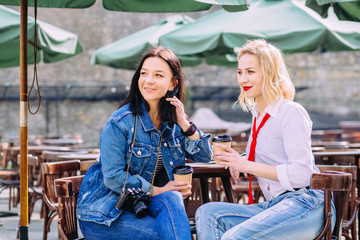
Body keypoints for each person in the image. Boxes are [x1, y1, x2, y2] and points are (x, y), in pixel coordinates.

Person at [195, 39, 335, 240]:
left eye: (250, 72)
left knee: (231, 237)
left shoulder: (291, 112)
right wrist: (240, 161)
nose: (243, 79)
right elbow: (269, 159)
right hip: (276, 205)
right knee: (208, 213)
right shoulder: (258, 115)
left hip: (307, 203)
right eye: (240, 72)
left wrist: (247, 164)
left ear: (269, 72)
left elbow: (302, 174)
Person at [77, 47, 212, 240]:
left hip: (144, 205)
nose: (148, 80)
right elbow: (114, 177)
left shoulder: (173, 123)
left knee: (172, 199)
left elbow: (205, 156)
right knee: (165, 234)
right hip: (107, 214)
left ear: (172, 83)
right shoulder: (120, 123)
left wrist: (184, 123)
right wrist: (157, 190)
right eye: (144, 73)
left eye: (158, 75)